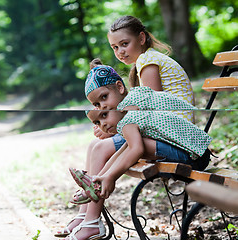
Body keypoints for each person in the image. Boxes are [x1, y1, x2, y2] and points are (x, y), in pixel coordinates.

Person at [55, 15, 195, 238]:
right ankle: (85, 215)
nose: (120, 51)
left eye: (124, 44)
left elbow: (150, 113)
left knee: (101, 148)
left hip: (177, 138)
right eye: (114, 47)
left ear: (141, 38)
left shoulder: (148, 64)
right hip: (170, 134)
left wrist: (114, 128)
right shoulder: (145, 62)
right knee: (95, 146)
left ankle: (91, 220)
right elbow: (144, 117)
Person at [62, 65, 211, 240]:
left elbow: (136, 149)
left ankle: (93, 202)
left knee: (136, 144)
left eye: (104, 97)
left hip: (193, 155)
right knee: (129, 144)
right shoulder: (131, 102)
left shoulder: (129, 116)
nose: (103, 106)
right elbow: (125, 149)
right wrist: (102, 176)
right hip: (197, 151)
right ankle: (94, 186)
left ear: (119, 87)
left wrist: (110, 177)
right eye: (97, 105)